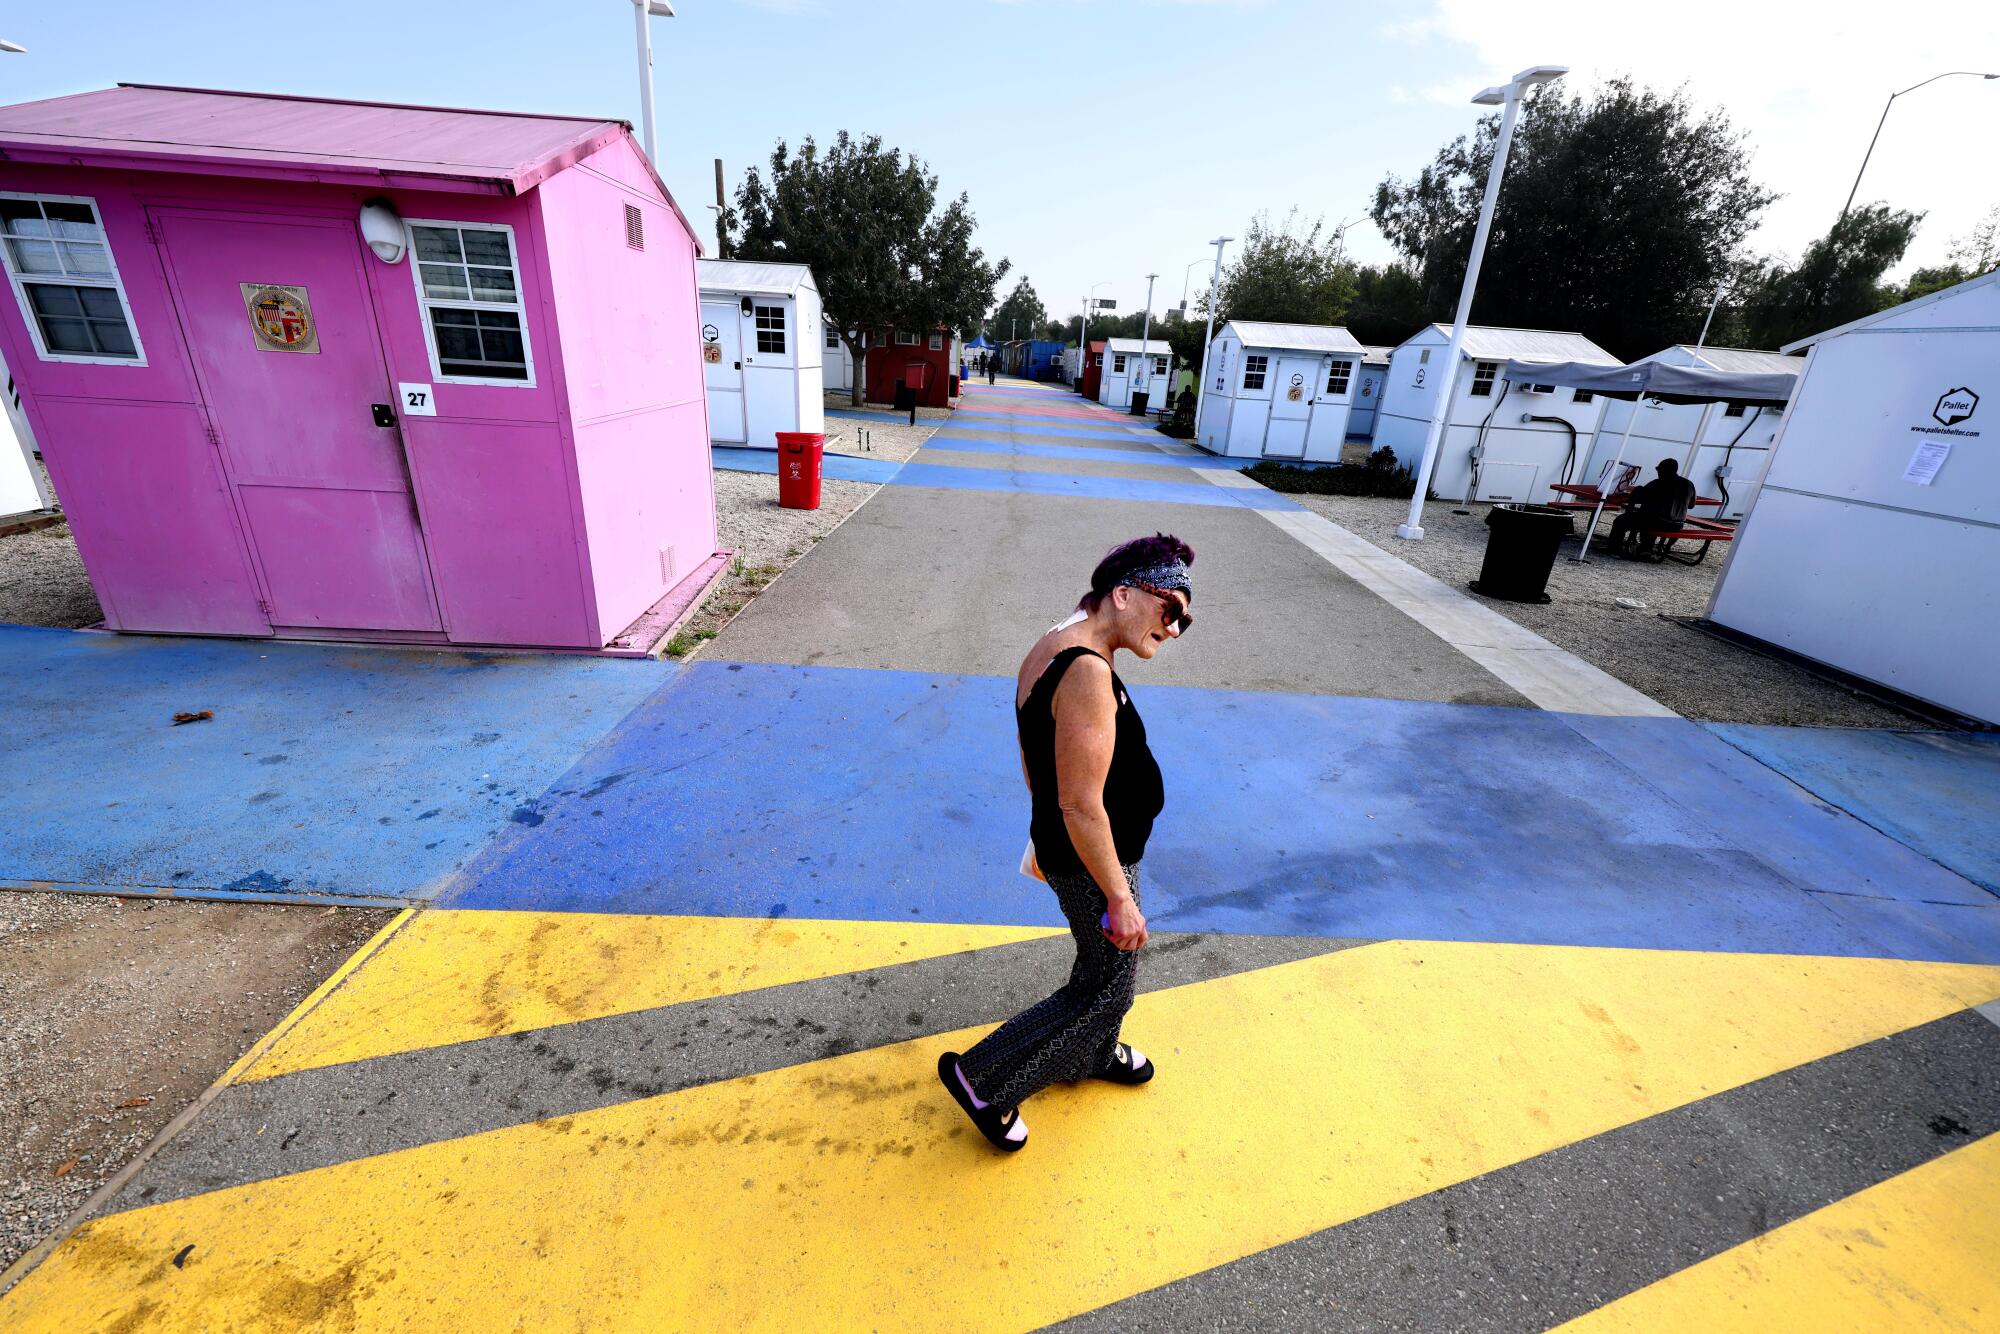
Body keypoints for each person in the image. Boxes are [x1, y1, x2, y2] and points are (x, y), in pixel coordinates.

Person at [939, 534, 1194, 1152]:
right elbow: (1081, 804)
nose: (1177, 627)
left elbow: (1035, 757)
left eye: (1185, 618)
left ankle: (1096, 1052)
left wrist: (1043, 828)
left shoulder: (1060, 642)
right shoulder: (1086, 671)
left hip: (1076, 849)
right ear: (1125, 593)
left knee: (1104, 971)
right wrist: (1119, 895)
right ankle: (985, 1079)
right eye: (1170, 609)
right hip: (1094, 859)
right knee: (1105, 984)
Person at [1609, 458, 1697, 557]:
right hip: (1678, 524)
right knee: (1650, 517)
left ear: (1664, 470)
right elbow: (1691, 506)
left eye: (1658, 469)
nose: (1658, 472)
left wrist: (1637, 491)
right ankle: (1645, 548)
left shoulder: (1658, 483)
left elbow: (1640, 498)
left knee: (1621, 521)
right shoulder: (1689, 484)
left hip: (1659, 522)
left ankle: (1614, 548)